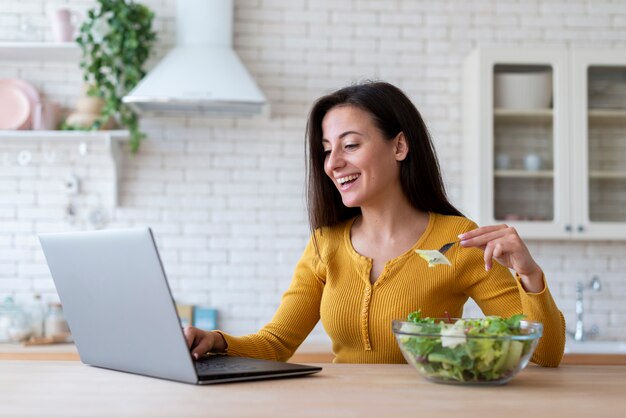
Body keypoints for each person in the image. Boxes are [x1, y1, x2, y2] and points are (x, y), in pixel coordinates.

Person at [184, 81, 565, 366]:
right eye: (327, 150)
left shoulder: (458, 240)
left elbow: (545, 355)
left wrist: (529, 274)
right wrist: (216, 341)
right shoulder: (325, 244)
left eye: (350, 145)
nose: (333, 163)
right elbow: (276, 343)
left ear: (399, 146)